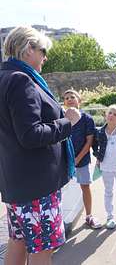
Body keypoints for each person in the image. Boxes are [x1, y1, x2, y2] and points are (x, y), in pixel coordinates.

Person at [0, 26, 81, 264]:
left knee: (19, 241)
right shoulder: (21, 81)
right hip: (37, 186)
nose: (45, 57)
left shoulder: (5, 77)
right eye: (42, 50)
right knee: (43, 249)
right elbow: (31, 134)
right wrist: (68, 122)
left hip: (16, 183)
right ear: (28, 49)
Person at [63, 89, 101, 229]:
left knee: (85, 186)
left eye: (72, 96)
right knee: (61, 189)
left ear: (79, 100)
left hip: (81, 160)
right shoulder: (62, 118)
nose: (69, 99)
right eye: (66, 98)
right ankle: (58, 218)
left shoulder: (87, 119)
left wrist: (77, 159)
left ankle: (89, 216)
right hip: (65, 161)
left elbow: (89, 141)